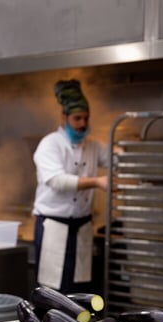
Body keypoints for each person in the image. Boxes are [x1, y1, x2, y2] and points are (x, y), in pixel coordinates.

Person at [31, 79, 110, 294]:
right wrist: (97, 182)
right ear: (63, 118)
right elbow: (58, 181)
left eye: (85, 118)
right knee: (53, 291)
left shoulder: (93, 145)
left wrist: (124, 152)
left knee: (80, 291)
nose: (82, 124)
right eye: (77, 118)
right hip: (54, 226)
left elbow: (113, 159)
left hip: (82, 227)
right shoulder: (50, 144)